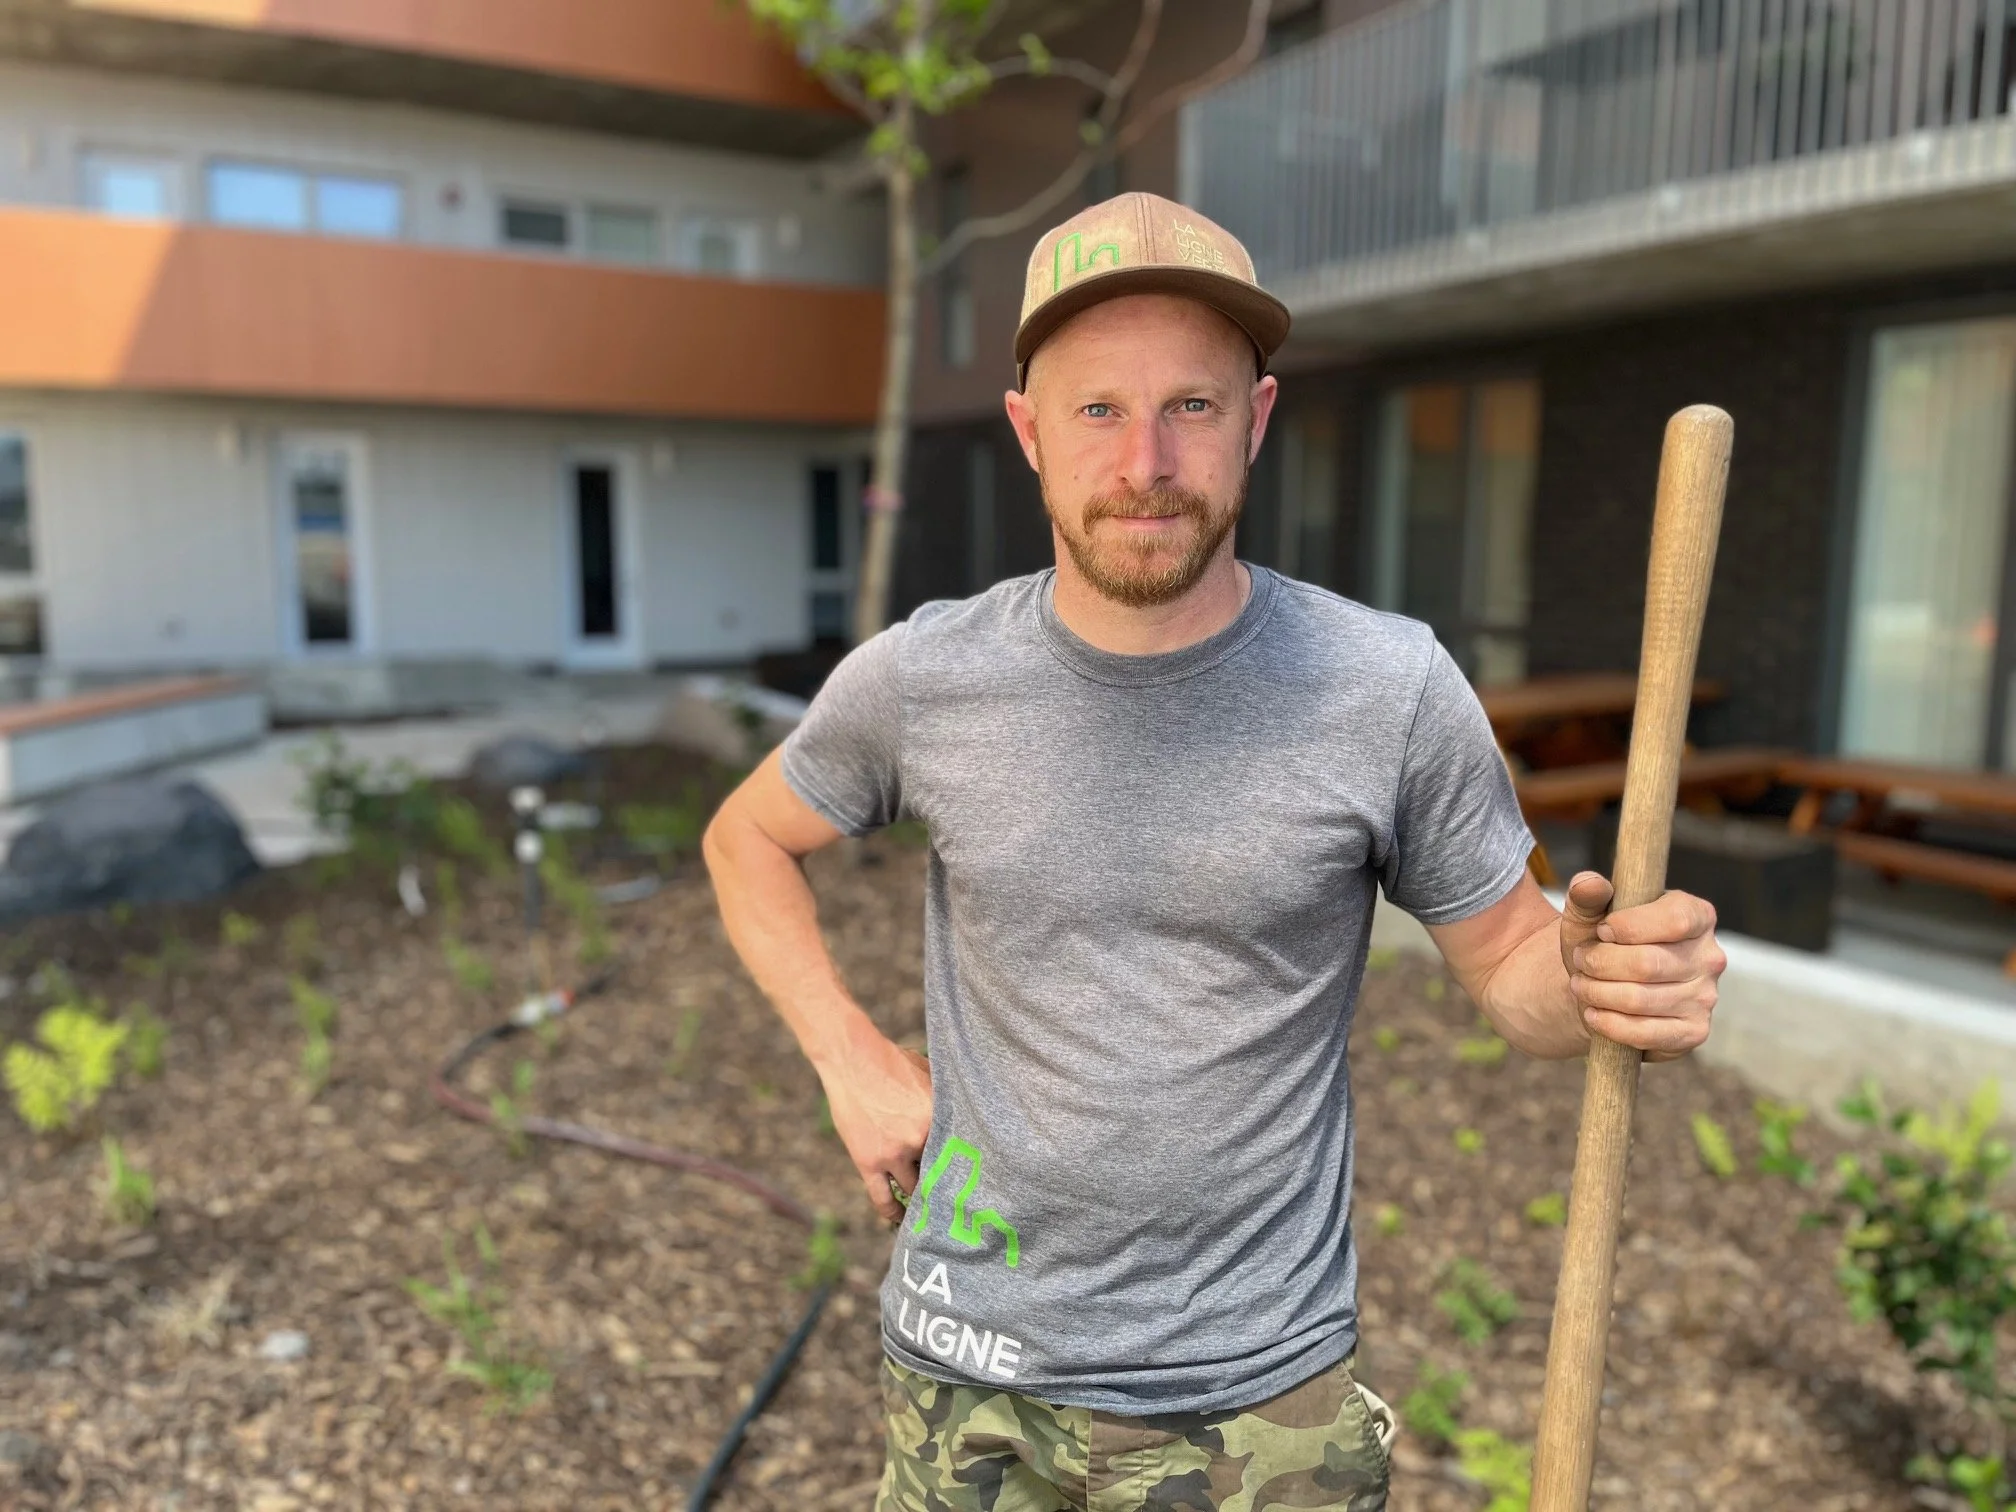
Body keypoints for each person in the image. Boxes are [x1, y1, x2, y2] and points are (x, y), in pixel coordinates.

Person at [703, 191, 1725, 1512]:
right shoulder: (925, 680)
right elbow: (745, 841)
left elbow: (1517, 964)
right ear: (1028, 432)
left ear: (1257, 418)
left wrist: (1595, 980)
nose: (1145, 461)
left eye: (1191, 405)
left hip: (1262, 1413)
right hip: (969, 1375)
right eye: (1096, 410)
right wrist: (847, 1056)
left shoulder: (1385, 688)